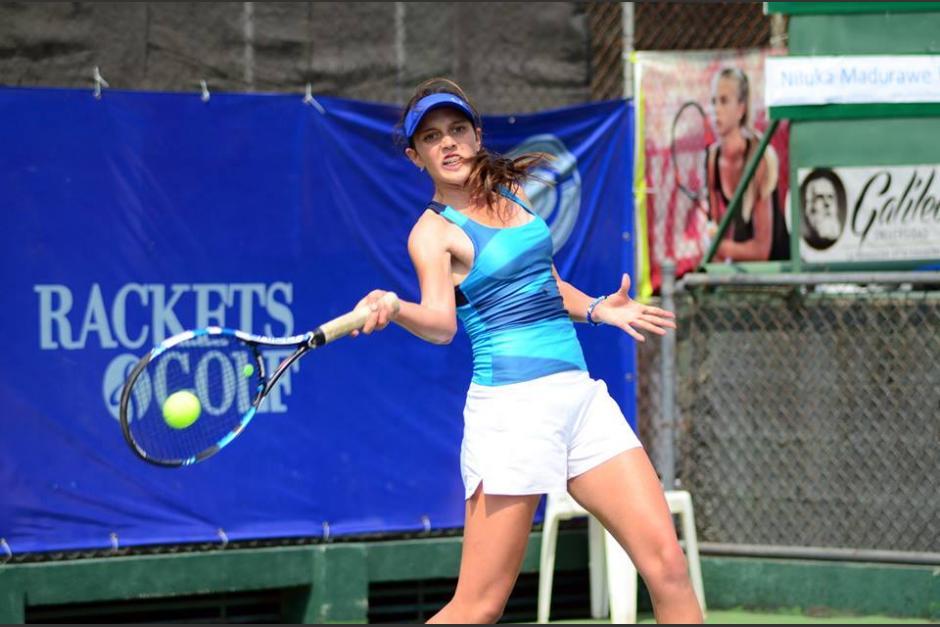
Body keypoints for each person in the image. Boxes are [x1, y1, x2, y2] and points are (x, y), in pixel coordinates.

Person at [352, 77, 703, 624]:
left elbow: (543, 283)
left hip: (579, 400)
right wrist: (396, 307)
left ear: (477, 134)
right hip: (512, 414)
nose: (447, 143)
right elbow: (442, 324)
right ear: (415, 156)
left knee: (668, 566)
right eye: (431, 137)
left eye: (457, 130)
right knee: (478, 607)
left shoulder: (511, 196)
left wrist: (597, 308)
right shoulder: (432, 233)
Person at [706, 67, 790, 262]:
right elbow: (717, 232)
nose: (716, 109)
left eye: (724, 101)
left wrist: (720, 248)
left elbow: (761, 251)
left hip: (777, 268)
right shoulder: (712, 158)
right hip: (739, 270)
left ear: (741, 108)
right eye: (713, 101)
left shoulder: (760, 158)